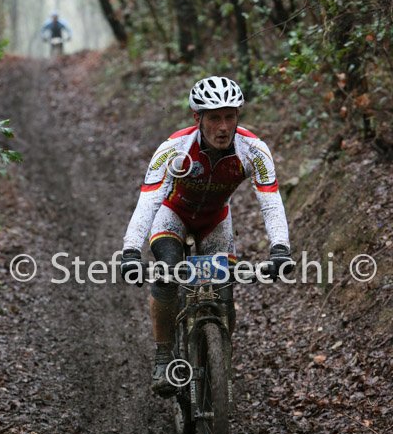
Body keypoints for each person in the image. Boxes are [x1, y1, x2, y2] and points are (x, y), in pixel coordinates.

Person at [120, 76, 293, 397]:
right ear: (197, 118)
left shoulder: (253, 150)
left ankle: (218, 361)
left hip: (215, 222)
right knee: (167, 275)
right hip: (173, 216)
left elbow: (270, 202)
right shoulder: (174, 149)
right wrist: (130, 251)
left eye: (230, 116)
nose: (223, 127)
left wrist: (280, 248)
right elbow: (149, 201)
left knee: (224, 295)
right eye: (214, 118)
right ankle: (163, 356)